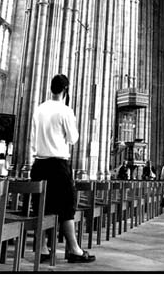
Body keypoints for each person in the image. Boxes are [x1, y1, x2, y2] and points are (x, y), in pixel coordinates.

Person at [30, 73, 95, 263]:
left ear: (51, 88)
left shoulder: (39, 109)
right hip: (58, 166)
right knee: (67, 207)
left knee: (42, 207)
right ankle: (74, 250)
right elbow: (73, 138)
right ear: (66, 90)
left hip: (39, 165)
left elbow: (34, 140)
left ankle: (42, 249)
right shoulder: (65, 110)